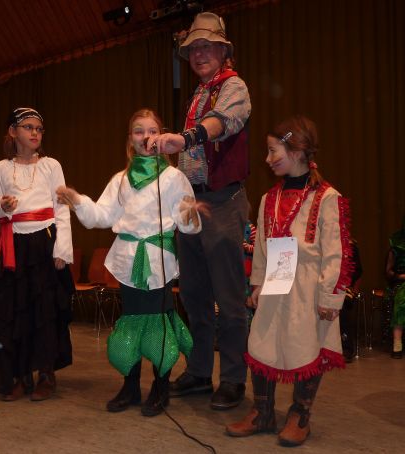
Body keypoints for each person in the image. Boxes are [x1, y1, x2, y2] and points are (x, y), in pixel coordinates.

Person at [57, 108, 202, 416]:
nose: (145, 136)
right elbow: (102, 216)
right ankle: (131, 386)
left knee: (158, 326)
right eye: (139, 131)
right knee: (131, 324)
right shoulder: (120, 180)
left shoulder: (175, 178)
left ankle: (161, 387)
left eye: (152, 130)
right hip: (128, 262)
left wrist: (190, 216)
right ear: (130, 139)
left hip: (158, 262)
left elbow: (187, 223)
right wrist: (78, 201)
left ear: (162, 137)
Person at [225, 115, 350, 447]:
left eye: (272, 151)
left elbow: (335, 253)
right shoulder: (270, 198)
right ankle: (262, 412)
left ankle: (300, 414)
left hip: (309, 289)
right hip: (275, 283)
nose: (267, 159)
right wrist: (257, 284)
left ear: (295, 150)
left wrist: (329, 297)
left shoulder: (327, 198)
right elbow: (263, 248)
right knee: (260, 343)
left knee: (305, 346)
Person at [149, 11, 251, 409]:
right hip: (191, 203)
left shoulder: (233, 86)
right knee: (193, 294)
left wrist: (184, 138)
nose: (199, 54)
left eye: (207, 46)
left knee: (229, 298)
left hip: (222, 200)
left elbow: (222, 122)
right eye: (193, 48)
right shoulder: (197, 93)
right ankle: (199, 370)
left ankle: (233, 378)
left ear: (224, 51)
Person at [0, 107, 74, 402]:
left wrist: (62, 249)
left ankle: (46, 374)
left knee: (44, 311)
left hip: (44, 242)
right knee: (15, 312)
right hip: (14, 245)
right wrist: (3, 208)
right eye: (28, 127)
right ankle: (19, 375)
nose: (35, 133)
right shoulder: (1, 168)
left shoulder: (51, 165)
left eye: (39, 128)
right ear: (13, 132)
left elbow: (62, 207)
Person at [386, 217, 405, 359]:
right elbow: (388, 271)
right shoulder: (397, 244)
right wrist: (401, 276)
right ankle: (397, 344)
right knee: (402, 298)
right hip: (402, 282)